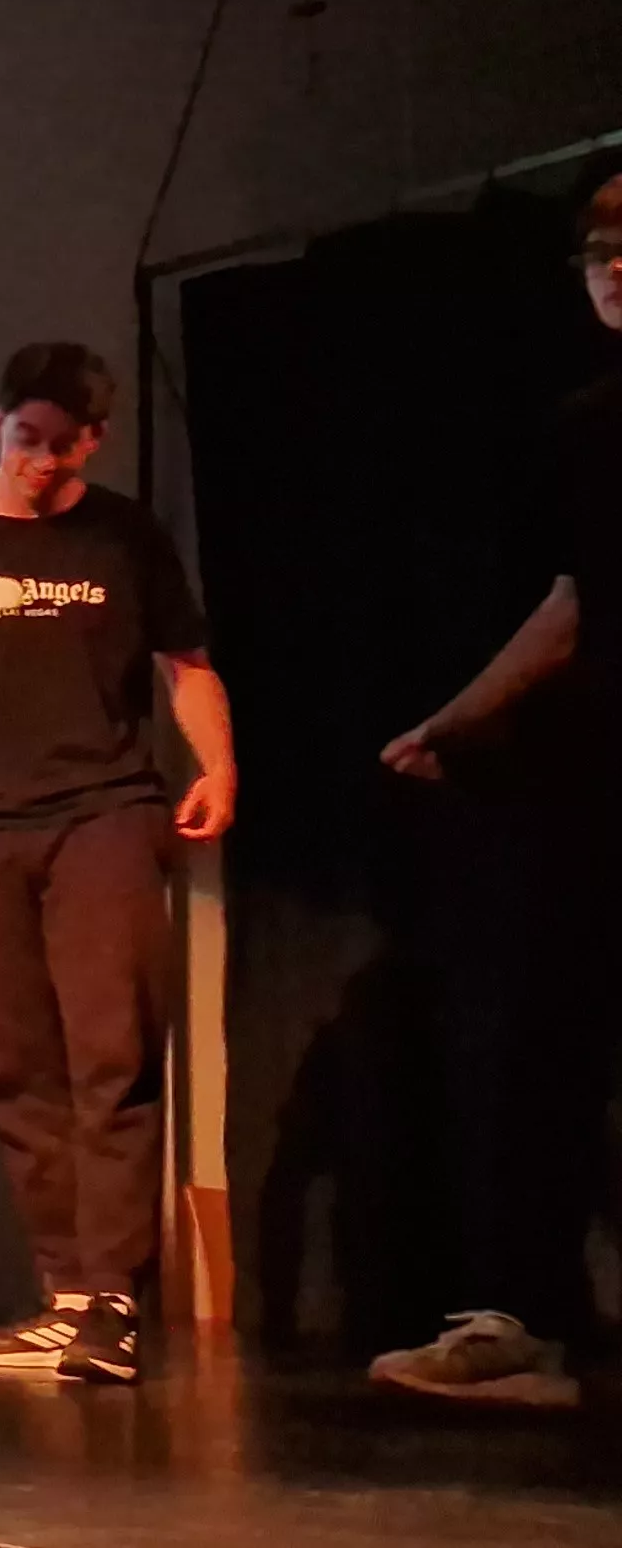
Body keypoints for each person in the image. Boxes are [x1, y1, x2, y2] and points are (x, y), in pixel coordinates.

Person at [0, 342, 233, 1386]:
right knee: (6, 1061)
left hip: (101, 811)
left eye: (64, 446)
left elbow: (186, 665)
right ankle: (65, 1293)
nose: (42, 462)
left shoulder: (124, 536)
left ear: (94, 439)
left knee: (110, 1051)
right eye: (26, 439)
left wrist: (219, 762)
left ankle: (111, 1300)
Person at [364, 173, 622, 1409]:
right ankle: (526, 1317)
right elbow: (574, 605)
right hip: (588, 776)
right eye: (595, 246)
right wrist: (451, 723)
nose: (612, 263)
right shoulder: (589, 420)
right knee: (547, 1038)